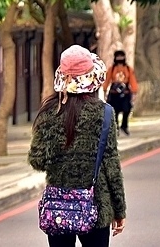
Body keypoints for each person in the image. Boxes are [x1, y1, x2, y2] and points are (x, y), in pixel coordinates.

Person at [29, 45, 126, 246]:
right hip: (96, 205)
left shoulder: (49, 113)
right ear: (92, 79)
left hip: (58, 208)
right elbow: (111, 167)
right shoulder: (105, 114)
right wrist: (119, 210)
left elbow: (37, 161)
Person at [103, 50, 138, 135]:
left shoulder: (128, 69)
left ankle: (124, 126)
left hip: (125, 93)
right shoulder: (112, 69)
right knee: (115, 111)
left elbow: (132, 80)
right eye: (118, 56)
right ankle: (116, 128)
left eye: (121, 56)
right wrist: (104, 90)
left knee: (127, 109)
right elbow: (107, 80)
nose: (120, 58)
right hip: (114, 93)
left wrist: (134, 92)